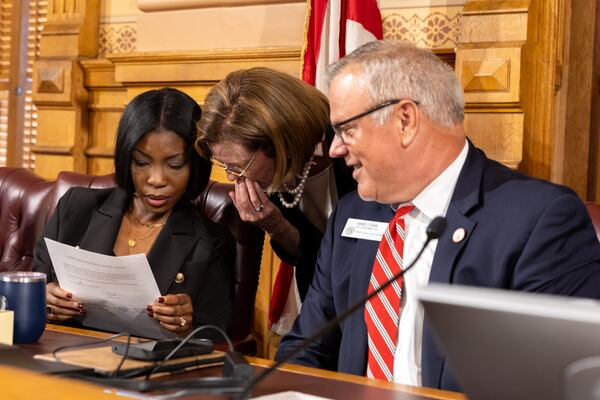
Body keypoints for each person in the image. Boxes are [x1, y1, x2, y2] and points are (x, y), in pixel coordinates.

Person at [276, 41, 600, 391]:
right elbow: (304, 351)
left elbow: (558, 386)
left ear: (405, 120)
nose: (335, 149)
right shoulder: (351, 214)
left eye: (346, 130)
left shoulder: (538, 221)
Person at [33, 88, 235, 336]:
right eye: (141, 162)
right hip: (59, 361)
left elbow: (217, 334)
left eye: (174, 165)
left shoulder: (211, 241)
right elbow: (29, 289)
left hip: (148, 369)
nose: (157, 179)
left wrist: (187, 325)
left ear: (194, 165)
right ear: (126, 159)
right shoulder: (76, 208)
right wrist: (44, 300)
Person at [196, 67, 355, 307]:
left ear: (282, 145)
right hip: (322, 304)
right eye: (224, 165)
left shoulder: (351, 150)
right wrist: (276, 226)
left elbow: (355, 261)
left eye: (237, 165)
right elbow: (308, 258)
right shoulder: (266, 175)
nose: (231, 177)